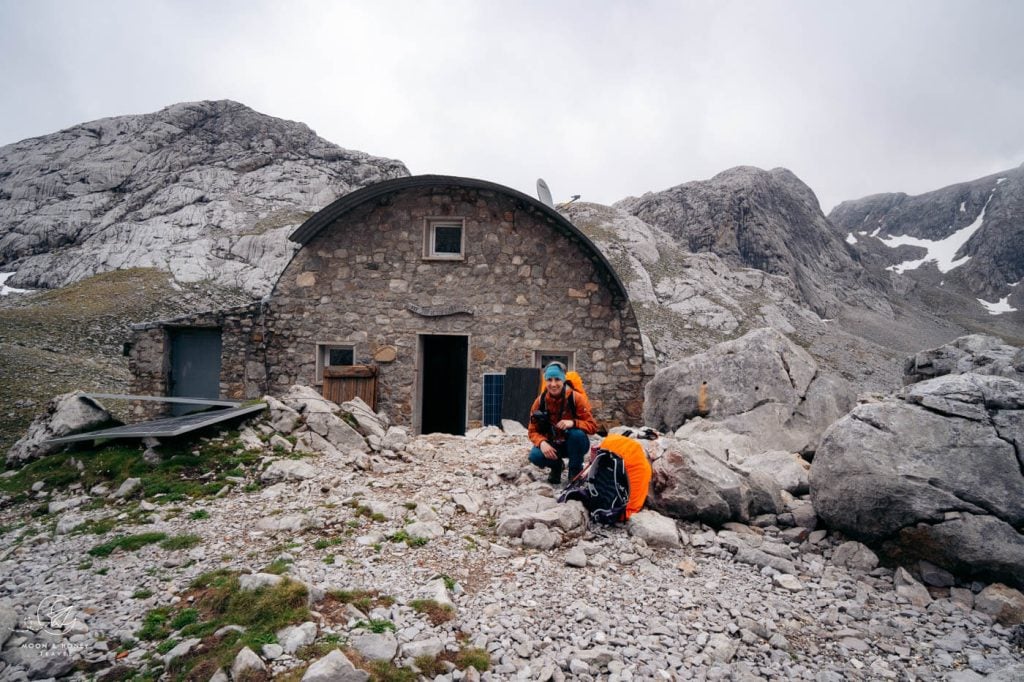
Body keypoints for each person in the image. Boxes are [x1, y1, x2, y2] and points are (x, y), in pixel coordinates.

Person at [527, 362, 598, 484]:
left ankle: (575, 471)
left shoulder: (576, 399)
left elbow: (592, 426)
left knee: (577, 435)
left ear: (563, 380)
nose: (553, 384)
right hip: (553, 444)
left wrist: (573, 423)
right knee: (535, 456)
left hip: (575, 444)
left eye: (557, 379)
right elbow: (532, 430)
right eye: (549, 380)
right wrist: (542, 442)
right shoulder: (539, 402)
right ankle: (556, 467)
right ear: (545, 381)